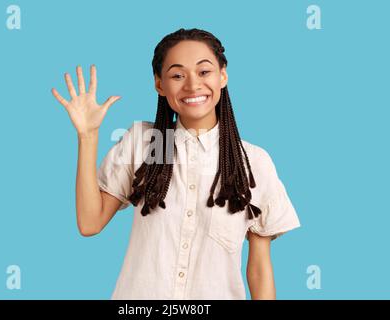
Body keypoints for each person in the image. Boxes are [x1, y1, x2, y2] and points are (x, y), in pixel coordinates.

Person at [51, 28, 301, 300]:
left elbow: (259, 269)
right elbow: (90, 223)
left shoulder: (252, 162)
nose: (192, 85)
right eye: (177, 75)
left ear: (223, 75)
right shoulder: (146, 143)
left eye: (204, 72)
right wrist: (88, 136)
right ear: (159, 84)